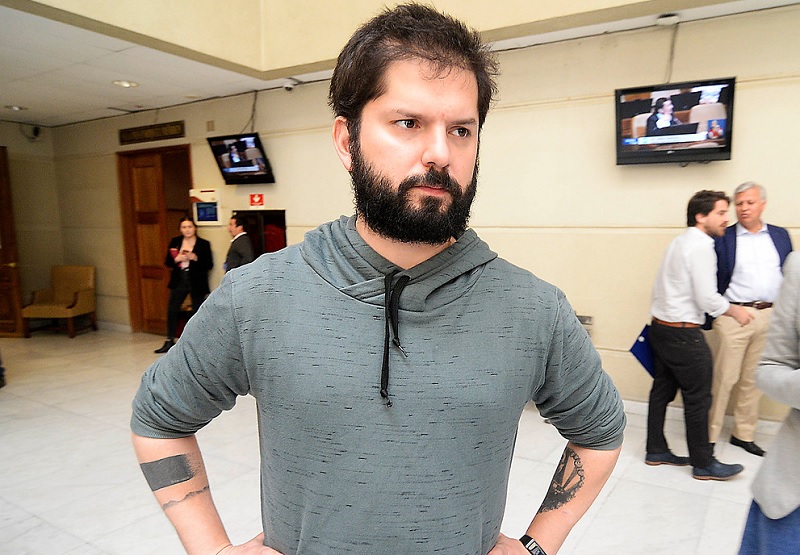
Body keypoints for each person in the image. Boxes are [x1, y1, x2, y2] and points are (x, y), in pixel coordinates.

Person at [131, 5, 626, 554]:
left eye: (461, 130)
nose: (440, 153)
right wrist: (213, 550)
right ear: (347, 141)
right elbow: (159, 420)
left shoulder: (533, 309)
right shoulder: (259, 295)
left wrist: (537, 546)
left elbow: (600, 433)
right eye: (408, 123)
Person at [646, 190, 752, 481]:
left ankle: (655, 450)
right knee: (699, 399)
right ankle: (704, 464)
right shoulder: (702, 247)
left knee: (661, 392)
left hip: (661, 328)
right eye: (721, 213)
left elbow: (660, 288)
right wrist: (735, 311)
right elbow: (707, 298)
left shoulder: (679, 242)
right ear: (701, 216)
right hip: (684, 334)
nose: (727, 218)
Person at [708, 182, 792, 456]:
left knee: (754, 380)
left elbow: (788, 275)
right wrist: (722, 312)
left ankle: (742, 434)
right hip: (734, 315)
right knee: (724, 378)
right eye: (740, 203)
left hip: (770, 315)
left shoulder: (780, 236)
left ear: (762, 204)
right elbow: (711, 278)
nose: (744, 208)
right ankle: (709, 435)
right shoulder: (724, 237)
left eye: (750, 202)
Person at [738, 251, 800, 555]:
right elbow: (771, 368)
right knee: (720, 386)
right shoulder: (798, 268)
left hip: (758, 314)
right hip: (792, 496)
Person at [154, 215, 213, 354]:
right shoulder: (175, 242)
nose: (187, 230)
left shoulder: (203, 244)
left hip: (196, 280)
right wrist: (177, 259)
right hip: (179, 278)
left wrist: (195, 258)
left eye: (190, 227)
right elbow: (168, 262)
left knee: (197, 311)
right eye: (184, 227)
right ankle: (169, 339)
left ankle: (198, 341)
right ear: (180, 229)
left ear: (195, 228)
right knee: (172, 309)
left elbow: (209, 264)